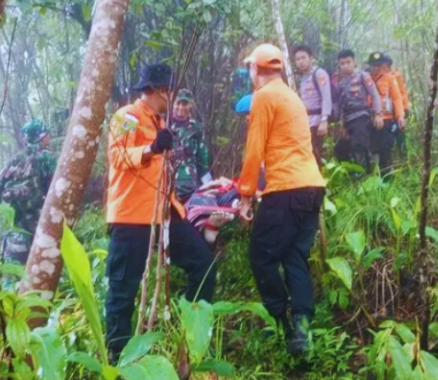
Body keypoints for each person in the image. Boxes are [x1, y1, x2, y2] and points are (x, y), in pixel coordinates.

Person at [105, 63, 217, 360]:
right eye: (168, 91)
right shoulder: (127, 116)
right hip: (132, 216)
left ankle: (189, 333)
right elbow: (117, 155)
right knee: (123, 289)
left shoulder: (161, 121)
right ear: (156, 90)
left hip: (166, 212)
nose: (171, 97)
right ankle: (120, 356)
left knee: (204, 263)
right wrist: (151, 148)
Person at [239, 43, 326, 355]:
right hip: (312, 187)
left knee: (261, 256)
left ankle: (282, 324)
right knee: (293, 257)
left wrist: (246, 196)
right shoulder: (291, 95)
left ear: (256, 69)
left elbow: (254, 150)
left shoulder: (263, 96)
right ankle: (303, 332)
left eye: (250, 67)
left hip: (286, 189)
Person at [0, 119, 57, 269]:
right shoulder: (49, 159)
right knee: (43, 281)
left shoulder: (13, 161)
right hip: (43, 231)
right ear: (41, 137)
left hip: (16, 236)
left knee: (11, 281)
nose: (49, 137)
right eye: (47, 134)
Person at [332, 49, 382, 174]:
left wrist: (378, 114)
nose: (345, 66)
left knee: (359, 146)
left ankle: (364, 176)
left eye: (348, 62)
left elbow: (375, 95)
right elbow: (342, 106)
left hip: (361, 117)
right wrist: (342, 125)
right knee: (340, 149)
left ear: (354, 62)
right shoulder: (341, 84)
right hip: (348, 120)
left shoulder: (363, 76)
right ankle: (352, 174)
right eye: (342, 63)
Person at [368, 52, 405, 177]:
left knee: (386, 148)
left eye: (378, 65)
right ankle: (375, 176)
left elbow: (396, 98)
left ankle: (387, 178)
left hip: (387, 119)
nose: (376, 68)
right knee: (373, 148)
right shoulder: (366, 78)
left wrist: (400, 116)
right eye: (373, 65)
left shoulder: (390, 78)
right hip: (372, 119)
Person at [170, 89, 211, 203]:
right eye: (178, 103)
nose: (181, 107)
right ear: (173, 104)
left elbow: (203, 161)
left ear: (191, 105)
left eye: (185, 103)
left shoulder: (196, 128)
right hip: (168, 184)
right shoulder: (164, 125)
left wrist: (209, 185)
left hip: (190, 185)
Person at [293, 45, 332, 162]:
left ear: (311, 58)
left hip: (318, 120)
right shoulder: (303, 78)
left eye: (303, 58)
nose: (300, 62)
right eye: (297, 59)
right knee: (310, 153)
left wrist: (324, 120)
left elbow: (326, 96)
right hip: (306, 121)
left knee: (318, 153)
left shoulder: (319, 74)